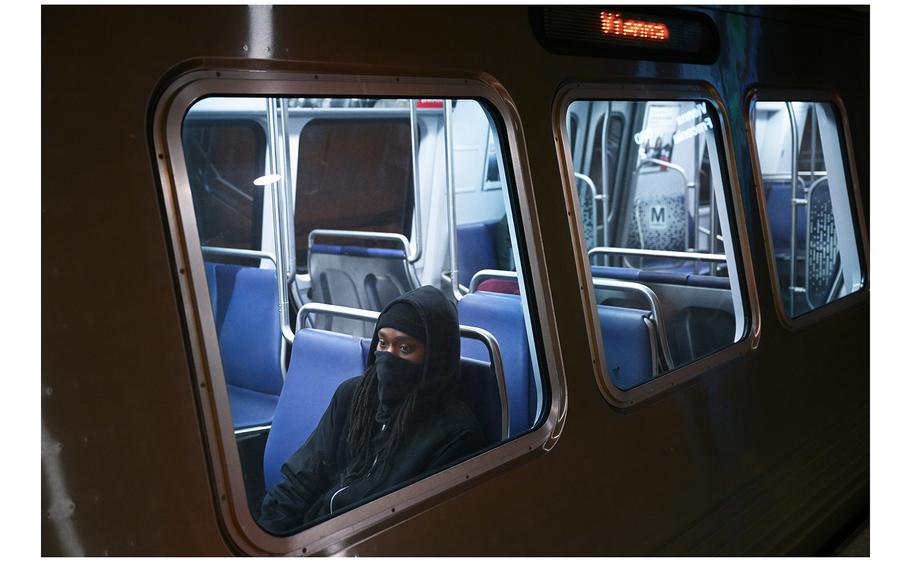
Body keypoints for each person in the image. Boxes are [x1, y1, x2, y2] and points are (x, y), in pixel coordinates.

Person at [259, 285, 484, 535]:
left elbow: (416, 530)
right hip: (316, 533)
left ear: (434, 358)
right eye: (383, 343)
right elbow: (300, 480)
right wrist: (270, 537)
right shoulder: (353, 397)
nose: (388, 356)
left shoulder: (455, 434)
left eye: (405, 348)